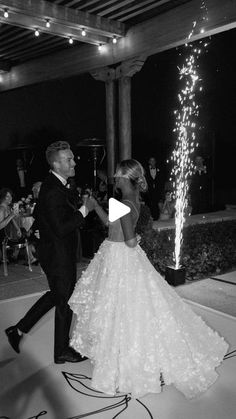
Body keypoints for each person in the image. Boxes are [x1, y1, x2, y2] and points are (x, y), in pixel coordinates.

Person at [69, 158, 228, 399]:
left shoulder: (123, 202)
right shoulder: (134, 202)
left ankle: (125, 363)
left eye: (117, 176)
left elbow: (129, 240)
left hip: (119, 258)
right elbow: (113, 225)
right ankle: (126, 356)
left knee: (120, 310)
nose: (114, 179)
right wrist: (95, 207)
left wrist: (107, 216)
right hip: (121, 256)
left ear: (125, 178)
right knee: (129, 310)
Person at [5, 141, 95, 364]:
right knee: (64, 301)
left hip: (55, 251)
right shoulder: (53, 189)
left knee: (57, 296)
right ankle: (61, 351)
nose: (74, 162)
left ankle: (17, 330)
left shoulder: (58, 184)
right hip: (57, 254)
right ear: (56, 164)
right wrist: (85, 209)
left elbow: (43, 214)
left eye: (73, 158)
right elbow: (62, 227)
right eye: (69, 159)